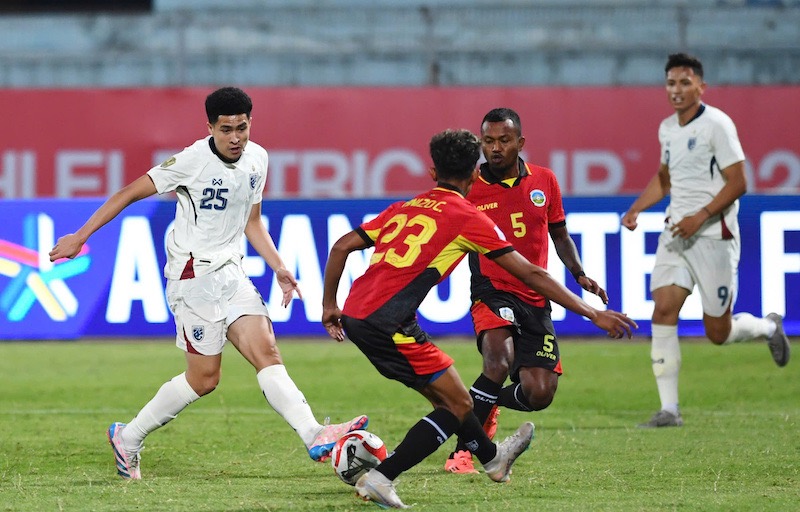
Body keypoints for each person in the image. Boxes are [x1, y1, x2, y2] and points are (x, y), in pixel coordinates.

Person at [48, 86, 367, 480]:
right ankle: (128, 438)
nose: (236, 138)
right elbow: (129, 192)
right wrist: (81, 236)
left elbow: (251, 221)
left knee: (267, 351)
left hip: (232, 273)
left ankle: (313, 432)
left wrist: (279, 266)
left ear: (251, 123)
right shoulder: (191, 161)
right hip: (192, 278)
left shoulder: (258, 159)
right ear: (210, 128)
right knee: (204, 379)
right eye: (227, 129)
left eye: (243, 128)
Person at [322, 128, 637, 508]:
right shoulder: (466, 217)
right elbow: (532, 273)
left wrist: (329, 307)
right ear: (475, 174)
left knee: (452, 399)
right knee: (457, 407)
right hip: (390, 325)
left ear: (431, 172)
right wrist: (592, 314)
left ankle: (493, 460)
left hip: (359, 316)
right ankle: (381, 477)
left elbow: (341, 246)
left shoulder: (404, 207)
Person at [621, 53, 791, 428]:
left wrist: (701, 216)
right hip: (676, 233)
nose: (676, 90)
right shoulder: (667, 128)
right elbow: (665, 178)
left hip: (714, 234)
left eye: (684, 83)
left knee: (718, 332)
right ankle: (669, 410)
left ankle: (768, 327)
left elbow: (739, 182)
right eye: (670, 83)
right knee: (663, 309)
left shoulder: (717, 125)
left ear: (701, 86)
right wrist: (637, 208)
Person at [444, 108, 610, 474]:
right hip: (491, 289)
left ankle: (484, 406)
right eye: (488, 141)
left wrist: (579, 273)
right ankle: (462, 453)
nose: (495, 148)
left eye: (504, 141)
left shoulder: (545, 181)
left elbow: (560, 234)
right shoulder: (468, 187)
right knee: (498, 361)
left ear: (520, 142)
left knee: (539, 394)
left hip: (535, 296)